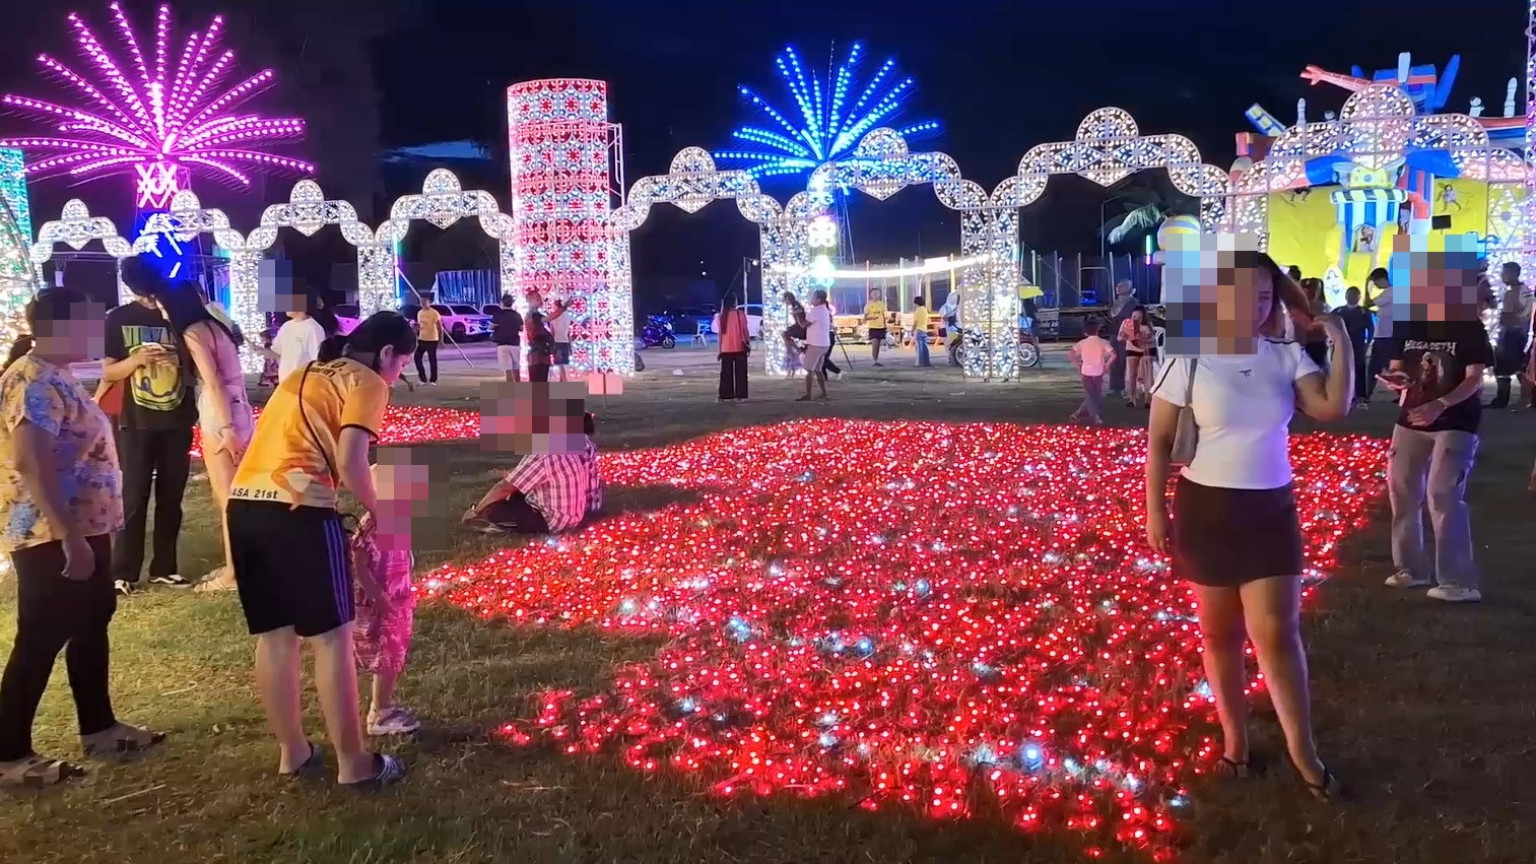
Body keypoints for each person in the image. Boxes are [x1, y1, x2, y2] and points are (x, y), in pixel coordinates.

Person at [1146, 251, 1352, 800]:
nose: (1255, 306)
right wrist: (1155, 509)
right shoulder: (1189, 355)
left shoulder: (1284, 355)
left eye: (1264, 296)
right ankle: (1234, 743)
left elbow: (1333, 408)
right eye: (1243, 295)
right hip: (1206, 510)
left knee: (1277, 635)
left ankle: (1303, 753)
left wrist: (1340, 341)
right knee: (1219, 635)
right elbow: (1159, 440)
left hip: (1270, 511)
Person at [226, 311, 416, 786]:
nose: (398, 374)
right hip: (300, 509)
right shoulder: (368, 382)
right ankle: (354, 763)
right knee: (333, 638)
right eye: (401, 363)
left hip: (244, 506)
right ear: (387, 353)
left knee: (276, 636)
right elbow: (352, 461)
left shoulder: (302, 374)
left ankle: (293, 752)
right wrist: (383, 513)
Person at [0, 288, 166, 788]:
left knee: (93, 617)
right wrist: (68, 534)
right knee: (43, 632)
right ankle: (7, 753)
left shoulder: (58, 374)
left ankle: (99, 727)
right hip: (49, 530)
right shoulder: (31, 380)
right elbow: (31, 461)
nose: (98, 333)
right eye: (90, 324)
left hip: (82, 525)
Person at [1376, 277, 1494, 603]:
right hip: (1411, 419)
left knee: (1443, 493)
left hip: (1455, 420)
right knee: (1402, 492)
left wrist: (1440, 404)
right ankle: (1410, 568)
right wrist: (1396, 380)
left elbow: (1474, 379)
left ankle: (1458, 580)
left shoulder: (1468, 327)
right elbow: (1399, 367)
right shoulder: (1409, 325)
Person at [100, 257, 197, 592]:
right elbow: (108, 370)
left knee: (171, 497)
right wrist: (135, 360)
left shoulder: (179, 313)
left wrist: (179, 360)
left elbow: (203, 363)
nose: (151, 298)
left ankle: (165, 567)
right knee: (134, 497)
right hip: (136, 422)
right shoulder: (118, 318)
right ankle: (123, 573)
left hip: (177, 418)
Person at [151, 281, 254, 593]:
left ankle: (234, 574)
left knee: (228, 500)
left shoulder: (193, 333)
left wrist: (226, 429)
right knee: (240, 496)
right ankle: (243, 566)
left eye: (164, 308)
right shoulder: (216, 326)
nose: (163, 314)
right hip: (240, 408)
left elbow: (213, 382)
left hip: (222, 414)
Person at [350, 464, 421, 736]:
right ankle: (379, 712)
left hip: (397, 600)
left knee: (393, 655)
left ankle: (382, 707)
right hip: (379, 604)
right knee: (385, 655)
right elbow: (359, 564)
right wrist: (376, 594)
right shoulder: (370, 527)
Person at [463, 412, 602, 534]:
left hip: (554, 521)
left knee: (494, 510)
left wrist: (475, 511)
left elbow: (504, 487)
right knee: (517, 493)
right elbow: (522, 478)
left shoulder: (544, 453)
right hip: (574, 515)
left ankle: (499, 525)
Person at [1490, 262, 1532, 409]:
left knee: (1502, 366)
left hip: (1510, 333)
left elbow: (1506, 317)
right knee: (1521, 366)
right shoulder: (1527, 291)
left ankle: (1502, 399)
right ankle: (1530, 397)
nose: (1502, 276)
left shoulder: (1511, 293)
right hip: (1523, 333)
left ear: (1513, 274)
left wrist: (1500, 335)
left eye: (1504, 273)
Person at [1068, 318, 1117, 425]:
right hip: (1098, 371)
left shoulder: (1082, 343)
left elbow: (1071, 354)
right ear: (1097, 330)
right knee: (1094, 395)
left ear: (1085, 332)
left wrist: (1078, 365)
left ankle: (1092, 416)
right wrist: (1107, 365)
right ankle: (1087, 415)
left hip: (1086, 371)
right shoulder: (1103, 342)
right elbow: (1113, 354)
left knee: (1090, 395)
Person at [261, 306, 325, 385]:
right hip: (285, 384)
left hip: (303, 384)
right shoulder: (286, 326)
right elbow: (276, 353)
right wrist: (259, 350)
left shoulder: (313, 328)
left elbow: (318, 360)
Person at [1334, 286, 1374, 408]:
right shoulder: (1338, 311)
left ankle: (1361, 396)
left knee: (1359, 369)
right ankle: (1342, 395)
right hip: (1342, 345)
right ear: (1345, 296)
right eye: (1349, 295)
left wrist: (1368, 343)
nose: (1351, 297)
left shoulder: (1363, 312)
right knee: (1342, 369)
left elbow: (1371, 328)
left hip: (1358, 345)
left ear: (1359, 297)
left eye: (1354, 295)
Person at [713, 294, 750, 402]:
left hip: (726, 348)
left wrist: (720, 350)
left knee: (726, 374)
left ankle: (726, 395)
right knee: (741, 373)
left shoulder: (721, 316)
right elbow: (744, 330)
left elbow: (720, 334)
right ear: (734, 302)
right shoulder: (740, 314)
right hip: (739, 347)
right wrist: (748, 343)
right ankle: (740, 395)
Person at [1363, 267, 1392, 401]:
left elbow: (1368, 303)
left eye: (1375, 282)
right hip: (1387, 335)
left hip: (1385, 336)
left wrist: (1366, 285)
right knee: (1384, 367)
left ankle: (1367, 395)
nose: (1375, 285)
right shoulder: (1392, 293)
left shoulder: (1389, 293)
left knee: (1375, 368)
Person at [799, 290, 833, 402]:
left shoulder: (815, 311)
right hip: (824, 343)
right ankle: (824, 393)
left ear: (818, 300)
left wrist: (798, 315)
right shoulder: (825, 309)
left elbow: (803, 324)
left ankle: (808, 395)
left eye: (813, 297)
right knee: (818, 369)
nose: (811, 299)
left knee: (809, 369)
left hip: (816, 344)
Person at [1118, 307, 1154, 408]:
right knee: (1132, 375)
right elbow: (1119, 337)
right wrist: (1127, 337)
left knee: (1148, 375)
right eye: (1134, 317)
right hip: (1132, 349)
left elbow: (1152, 339)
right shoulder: (1126, 323)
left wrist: (1143, 339)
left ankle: (1148, 400)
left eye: (1139, 317)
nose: (1137, 319)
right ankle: (1132, 399)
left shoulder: (1147, 325)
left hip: (1147, 349)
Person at [1108, 279, 1136, 397]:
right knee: (1114, 361)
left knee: (1122, 362)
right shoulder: (1117, 302)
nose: (1117, 288)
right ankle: (1115, 387)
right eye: (1117, 286)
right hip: (1114, 334)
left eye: (1120, 286)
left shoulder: (1132, 302)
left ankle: (1122, 387)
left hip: (1125, 335)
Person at [491, 294, 524, 383]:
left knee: (508, 369)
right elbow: (521, 328)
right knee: (516, 367)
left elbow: (491, 327)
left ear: (502, 303)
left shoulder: (498, 315)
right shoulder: (517, 315)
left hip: (502, 344)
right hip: (515, 343)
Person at [414, 295, 441, 385]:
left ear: (429, 303)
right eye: (421, 303)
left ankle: (433, 379)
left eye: (424, 303)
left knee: (432, 359)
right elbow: (420, 325)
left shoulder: (434, 313)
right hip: (422, 338)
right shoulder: (419, 313)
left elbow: (439, 326)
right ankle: (423, 378)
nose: (423, 304)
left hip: (432, 339)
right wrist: (416, 331)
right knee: (417, 357)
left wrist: (441, 339)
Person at [781, 291, 808, 377]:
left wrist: (800, 326)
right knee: (785, 334)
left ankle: (797, 349)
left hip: (800, 327)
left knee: (785, 334)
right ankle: (795, 349)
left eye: (785, 299)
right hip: (799, 326)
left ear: (788, 299)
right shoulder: (795, 305)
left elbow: (799, 317)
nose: (785, 301)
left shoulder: (796, 306)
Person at [525, 311, 554, 383]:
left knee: (535, 379)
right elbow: (550, 340)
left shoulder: (530, 327)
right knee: (542, 379)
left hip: (534, 358)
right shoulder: (541, 330)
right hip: (543, 357)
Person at [548, 298, 572, 383]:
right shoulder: (567, 316)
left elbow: (552, 331)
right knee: (563, 362)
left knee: (560, 362)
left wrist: (551, 343)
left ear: (556, 306)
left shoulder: (554, 316)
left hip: (557, 341)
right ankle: (562, 380)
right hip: (565, 341)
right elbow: (568, 331)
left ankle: (564, 379)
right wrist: (570, 344)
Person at [864, 288, 888, 366]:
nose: (875, 295)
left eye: (877, 293)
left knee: (878, 345)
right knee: (874, 343)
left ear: (879, 294)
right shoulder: (868, 305)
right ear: (871, 294)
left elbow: (884, 316)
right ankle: (874, 360)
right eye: (873, 293)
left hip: (881, 327)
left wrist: (885, 326)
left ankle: (876, 360)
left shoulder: (881, 304)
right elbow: (865, 318)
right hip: (873, 327)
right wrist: (872, 317)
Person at [940, 290, 962, 367]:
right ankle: (949, 359)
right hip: (945, 328)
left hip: (954, 328)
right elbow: (943, 317)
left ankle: (950, 358)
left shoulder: (957, 307)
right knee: (947, 345)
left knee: (951, 345)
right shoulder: (945, 307)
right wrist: (951, 315)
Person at [911, 296, 933, 368]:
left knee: (919, 348)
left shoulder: (917, 311)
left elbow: (915, 322)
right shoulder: (924, 310)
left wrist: (912, 330)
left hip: (918, 329)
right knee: (925, 347)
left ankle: (919, 363)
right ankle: (926, 362)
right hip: (924, 329)